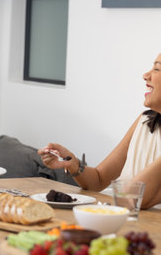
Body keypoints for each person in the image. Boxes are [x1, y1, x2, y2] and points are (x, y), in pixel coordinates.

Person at [38, 53, 161, 204]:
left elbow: (132, 199)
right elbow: (98, 180)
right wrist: (72, 163)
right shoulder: (144, 122)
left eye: (157, 69)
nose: (146, 75)